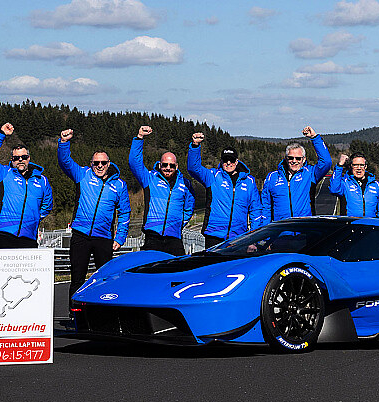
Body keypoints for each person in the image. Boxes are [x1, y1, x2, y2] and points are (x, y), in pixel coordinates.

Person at [58, 128, 130, 301]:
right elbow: (65, 161)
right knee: (77, 278)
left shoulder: (119, 185)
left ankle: (103, 314)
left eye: (103, 163)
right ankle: (74, 314)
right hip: (81, 236)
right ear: (91, 163)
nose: (99, 166)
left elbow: (125, 212)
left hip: (104, 238)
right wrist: (64, 143)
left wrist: (120, 238)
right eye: (96, 162)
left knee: (104, 280)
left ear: (109, 164)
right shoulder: (82, 175)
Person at [0, 123, 53, 248]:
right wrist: (1, 134)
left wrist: (33, 219)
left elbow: (47, 206)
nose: (20, 160)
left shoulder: (42, 180)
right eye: (16, 158)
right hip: (3, 233)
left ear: (29, 158)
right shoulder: (3, 173)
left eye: (24, 157)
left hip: (29, 236)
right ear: (12, 160)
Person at [129, 125, 196, 256]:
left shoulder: (185, 184)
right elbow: (134, 163)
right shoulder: (149, 178)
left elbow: (189, 207)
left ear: (176, 166)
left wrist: (178, 223)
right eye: (165, 165)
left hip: (174, 237)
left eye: (171, 165)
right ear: (160, 165)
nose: (168, 168)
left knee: (178, 270)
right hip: (152, 235)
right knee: (150, 271)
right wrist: (139, 138)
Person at [186, 132, 261, 248]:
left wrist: (253, 238)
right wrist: (195, 145)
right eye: (225, 160)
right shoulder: (213, 176)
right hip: (214, 236)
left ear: (237, 161)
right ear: (221, 161)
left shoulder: (249, 182)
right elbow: (193, 168)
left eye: (231, 160)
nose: (228, 163)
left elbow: (256, 210)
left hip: (239, 237)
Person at [258, 127, 332, 225]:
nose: (294, 161)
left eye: (298, 158)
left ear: (304, 159)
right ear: (286, 158)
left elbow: (326, 162)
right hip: (280, 231)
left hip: (303, 229)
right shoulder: (272, 177)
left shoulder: (309, 173)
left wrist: (314, 138)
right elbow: (266, 206)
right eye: (291, 158)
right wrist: (264, 232)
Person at [329, 152, 379, 217]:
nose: (359, 168)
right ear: (351, 166)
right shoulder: (345, 183)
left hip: (370, 225)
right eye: (355, 165)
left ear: (365, 166)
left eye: (361, 165)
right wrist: (340, 166)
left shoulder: (376, 185)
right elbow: (334, 190)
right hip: (350, 225)